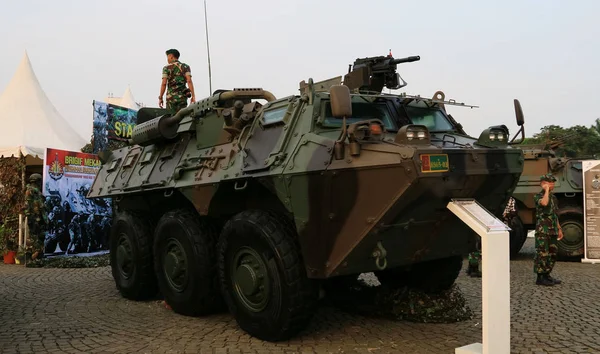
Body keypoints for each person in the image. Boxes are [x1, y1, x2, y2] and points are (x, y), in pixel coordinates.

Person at [533, 173, 563, 286]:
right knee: (542, 253)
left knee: (552, 253)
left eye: (553, 182)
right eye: (549, 182)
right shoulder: (538, 196)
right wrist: (545, 191)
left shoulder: (554, 198)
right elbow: (544, 203)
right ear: (543, 184)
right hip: (543, 230)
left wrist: (559, 228)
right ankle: (540, 277)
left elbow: (554, 214)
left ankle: (547, 274)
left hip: (553, 229)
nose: (552, 184)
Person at [23, 173, 47, 258]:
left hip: (33, 217)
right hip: (36, 218)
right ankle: (35, 255)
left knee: (35, 236)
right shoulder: (34, 191)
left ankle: (36, 254)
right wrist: (46, 219)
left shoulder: (30, 190)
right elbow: (41, 206)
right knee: (37, 236)